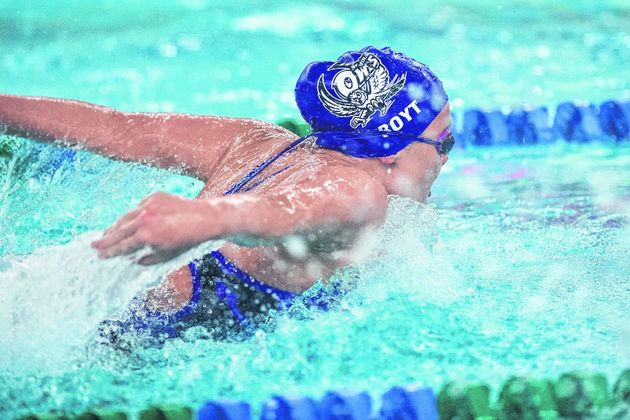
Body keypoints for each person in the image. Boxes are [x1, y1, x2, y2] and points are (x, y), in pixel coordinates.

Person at [0, 46, 454, 342]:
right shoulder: (359, 193)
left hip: (70, 292)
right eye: (444, 143)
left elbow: (124, 130)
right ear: (392, 151)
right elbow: (281, 210)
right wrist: (207, 220)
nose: (447, 160)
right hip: (127, 329)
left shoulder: (257, 140)